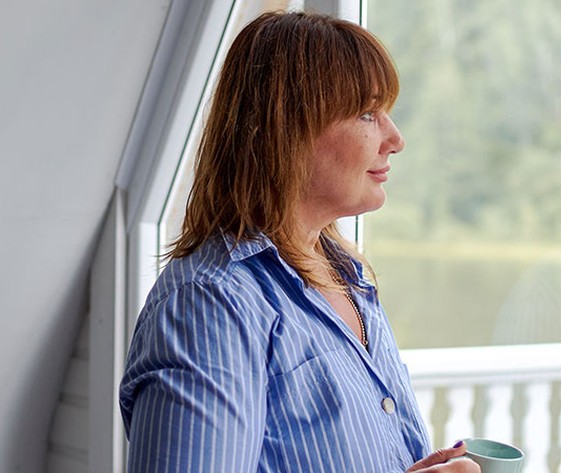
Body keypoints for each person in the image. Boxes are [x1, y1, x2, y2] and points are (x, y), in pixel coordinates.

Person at [119, 11, 480, 473]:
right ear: (288, 129)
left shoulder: (346, 276)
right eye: (367, 113)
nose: (395, 139)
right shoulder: (209, 306)